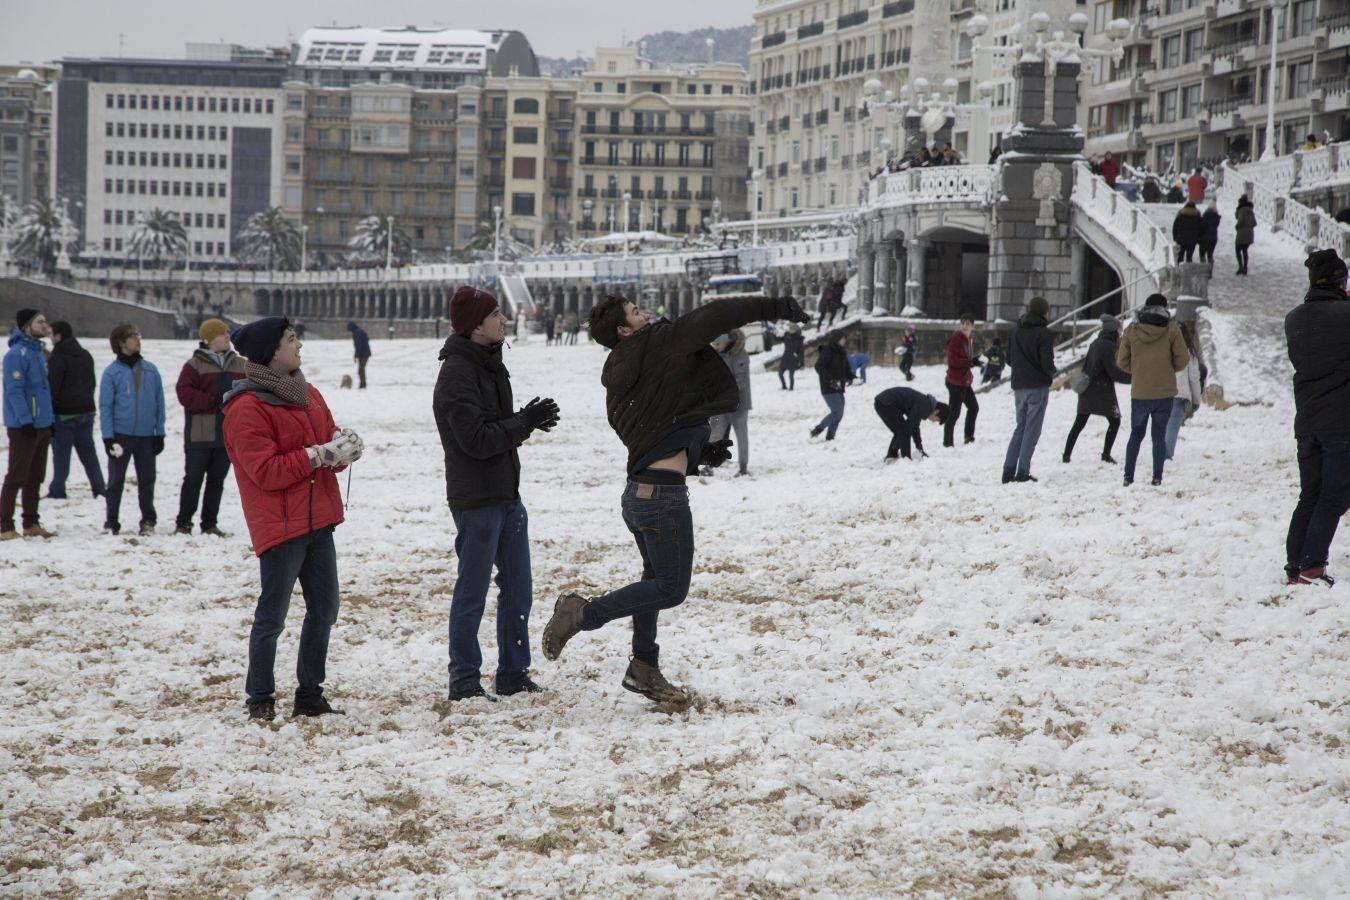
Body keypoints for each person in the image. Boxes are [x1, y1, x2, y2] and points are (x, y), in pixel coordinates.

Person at [539, 291, 809, 704]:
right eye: (634, 311)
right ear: (623, 330)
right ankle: (581, 614)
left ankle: (644, 666)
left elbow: (654, 430)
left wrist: (696, 454)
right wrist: (775, 306)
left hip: (639, 495)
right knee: (670, 588)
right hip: (662, 497)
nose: (645, 312)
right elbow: (717, 315)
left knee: (653, 581)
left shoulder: (621, 372)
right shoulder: (658, 342)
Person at [223, 316, 363, 720]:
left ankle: (309, 694)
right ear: (270, 352)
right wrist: (318, 454)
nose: (299, 345)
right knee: (273, 616)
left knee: (325, 609)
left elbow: (327, 443)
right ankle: (261, 698)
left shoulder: (309, 393)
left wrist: (343, 449)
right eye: (290, 339)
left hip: (318, 521)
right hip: (282, 527)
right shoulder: (245, 407)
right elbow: (264, 471)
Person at [433, 287, 559, 702]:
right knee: (472, 590)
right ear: (475, 325)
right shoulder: (457, 373)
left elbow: (496, 428)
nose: (504, 319)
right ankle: (465, 679)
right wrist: (524, 422)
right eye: (496, 313)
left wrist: (526, 421)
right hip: (475, 499)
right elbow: (474, 440)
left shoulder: (490, 364)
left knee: (519, 588)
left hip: (506, 492)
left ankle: (512, 673)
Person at [1283, 249, 1350, 586]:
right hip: (1341, 420)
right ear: (1341, 282)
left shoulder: (1294, 318)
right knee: (1335, 494)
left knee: (1309, 493)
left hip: (1307, 419)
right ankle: (1312, 567)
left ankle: (1295, 566)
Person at [174, 319, 246, 536]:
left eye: (227, 333)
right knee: (193, 479)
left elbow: (249, 392)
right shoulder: (193, 365)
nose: (227, 337)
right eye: (221, 334)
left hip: (226, 435)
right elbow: (184, 393)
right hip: (199, 434)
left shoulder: (240, 363)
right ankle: (183, 523)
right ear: (208, 339)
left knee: (217, 480)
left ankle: (209, 524)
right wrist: (212, 400)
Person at [1116, 294, 1189, 487]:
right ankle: (1157, 477)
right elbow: (1183, 359)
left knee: (1136, 434)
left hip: (1140, 392)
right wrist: (1166, 369)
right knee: (1159, 435)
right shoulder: (1172, 329)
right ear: (1164, 307)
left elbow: (1121, 361)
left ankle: (1128, 476)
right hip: (1165, 391)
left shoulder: (1132, 330)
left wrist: (1139, 371)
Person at [99, 324, 166, 536]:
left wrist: (160, 432)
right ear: (121, 343)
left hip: (147, 436)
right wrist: (108, 437)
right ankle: (111, 522)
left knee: (147, 480)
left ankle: (148, 520)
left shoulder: (151, 370)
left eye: (138, 334)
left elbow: (159, 402)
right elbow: (105, 406)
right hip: (121, 435)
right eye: (133, 336)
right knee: (115, 481)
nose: (138, 339)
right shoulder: (111, 373)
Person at [2, 308, 56, 540]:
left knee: (36, 476)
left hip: (42, 425)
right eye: (40, 322)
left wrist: (49, 420)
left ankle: (31, 522)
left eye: (45, 321)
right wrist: (25, 421)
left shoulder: (39, 352)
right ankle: (4, 524)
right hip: (24, 426)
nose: (45, 325)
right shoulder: (17, 354)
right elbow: (14, 391)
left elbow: (44, 391)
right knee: (16, 475)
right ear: (27, 326)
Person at [45, 320, 106, 502]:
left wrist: (51, 410)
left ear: (58, 335)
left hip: (64, 413)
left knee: (62, 454)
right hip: (86, 411)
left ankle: (58, 489)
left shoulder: (58, 356)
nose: (50, 337)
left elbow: (53, 386)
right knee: (88, 452)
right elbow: (92, 382)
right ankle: (99, 487)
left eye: (51, 334)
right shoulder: (85, 354)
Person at [1002, 297, 1056, 484]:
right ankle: (1023, 472)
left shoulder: (1016, 330)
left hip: (1019, 387)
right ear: (1044, 312)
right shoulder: (1043, 333)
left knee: (1020, 428)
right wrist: (1052, 372)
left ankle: (1008, 471)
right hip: (1037, 387)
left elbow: (1008, 359)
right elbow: (1046, 363)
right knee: (1031, 431)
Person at [1063, 315, 1131, 465]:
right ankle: (1106, 454)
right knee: (1115, 421)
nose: (1120, 333)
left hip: (1088, 389)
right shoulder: (1108, 346)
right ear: (1113, 331)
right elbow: (1114, 372)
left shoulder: (1096, 343)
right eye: (1118, 330)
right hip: (1101, 391)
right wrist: (1132, 379)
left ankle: (1066, 455)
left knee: (1079, 423)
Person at [707, 329, 752, 476]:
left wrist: (726, 393)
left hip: (738, 404)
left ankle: (743, 467)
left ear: (726, 341)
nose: (715, 346)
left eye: (718, 343)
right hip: (722, 403)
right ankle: (708, 466)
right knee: (715, 434)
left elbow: (741, 382)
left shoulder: (740, 355)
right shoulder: (719, 355)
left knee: (741, 436)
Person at [874, 387, 949, 461]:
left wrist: (920, 449)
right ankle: (904, 458)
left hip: (883, 402)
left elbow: (915, 427)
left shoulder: (926, 404)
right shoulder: (924, 406)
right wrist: (904, 454)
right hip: (885, 403)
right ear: (937, 412)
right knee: (903, 430)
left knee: (901, 430)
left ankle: (892, 454)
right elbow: (908, 428)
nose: (933, 421)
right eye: (936, 420)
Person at [1164, 322, 1204, 462]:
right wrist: (1196, 400)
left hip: (1161, 394)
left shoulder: (1161, 351)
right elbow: (1194, 379)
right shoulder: (1189, 354)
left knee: (1161, 426)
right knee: (1172, 428)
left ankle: (1159, 452)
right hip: (1179, 395)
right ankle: (1166, 455)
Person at [943, 314, 979, 447]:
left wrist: (975, 361)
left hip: (964, 381)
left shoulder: (968, 340)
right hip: (955, 382)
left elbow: (966, 360)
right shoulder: (956, 339)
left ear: (972, 327)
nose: (965, 326)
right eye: (963, 323)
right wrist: (971, 362)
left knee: (973, 407)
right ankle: (947, 443)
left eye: (968, 324)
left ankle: (968, 436)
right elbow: (952, 361)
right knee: (954, 413)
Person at [811, 331, 852, 441]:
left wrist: (853, 377)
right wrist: (831, 380)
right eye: (843, 338)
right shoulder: (827, 350)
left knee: (839, 413)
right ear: (836, 339)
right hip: (828, 386)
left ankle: (830, 436)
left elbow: (846, 369)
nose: (844, 341)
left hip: (839, 387)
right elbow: (819, 366)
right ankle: (817, 430)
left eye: (845, 338)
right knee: (837, 411)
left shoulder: (842, 352)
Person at [1235, 194, 1257, 276]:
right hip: (1250, 234)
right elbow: (1255, 223)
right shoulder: (1251, 210)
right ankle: (1245, 267)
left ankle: (1240, 266)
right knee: (1245, 251)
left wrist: (1237, 227)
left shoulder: (1241, 210)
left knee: (1237, 250)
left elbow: (1239, 219)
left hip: (1241, 234)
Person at [779, 323, 804, 390]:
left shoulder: (799, 339)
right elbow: (778, 339)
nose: (790, 330)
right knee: (780, 373)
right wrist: (774, 334)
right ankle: (784, 386)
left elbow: (801, 351)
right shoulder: (786, 335)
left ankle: (791, 388)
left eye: (792, 329)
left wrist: (801, 360)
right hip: (785, 357)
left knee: (791, 375)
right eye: (790, 328)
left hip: (793, 359)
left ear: (795, 330)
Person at [346, 321, 371, 388]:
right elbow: (367, 339)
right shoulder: (359, 331)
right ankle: (362, 384)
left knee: (361, 370)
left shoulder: (357, 333)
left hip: (363, 354)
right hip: (364, 353)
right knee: (361, 369)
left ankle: (363, 385)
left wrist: (356, 355)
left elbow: (358, 345)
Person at [1198, 203, 1221, 274]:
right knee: (1210, 255)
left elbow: (1202, 227)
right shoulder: (1217, 218)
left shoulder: (1205, 217)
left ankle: (1203, 271)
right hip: (1213, 238)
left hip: (1204, 238)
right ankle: (1209, 271)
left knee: (1202, 255)